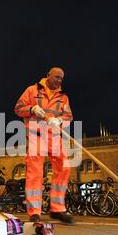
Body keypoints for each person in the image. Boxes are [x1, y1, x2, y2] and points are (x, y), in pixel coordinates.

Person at [14, 67, 75, 224]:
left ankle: (57, 209)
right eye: (56, 77)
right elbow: (18, 109)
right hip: (36, 135)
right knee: (35, 172)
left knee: (64, 167)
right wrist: (32, 109)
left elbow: (69, 116)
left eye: (61, 78)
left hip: (55, 136)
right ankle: (34, 211)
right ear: (48, 76)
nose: (59, 80)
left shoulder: (63, 97)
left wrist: (60, 120)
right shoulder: (31, 90)